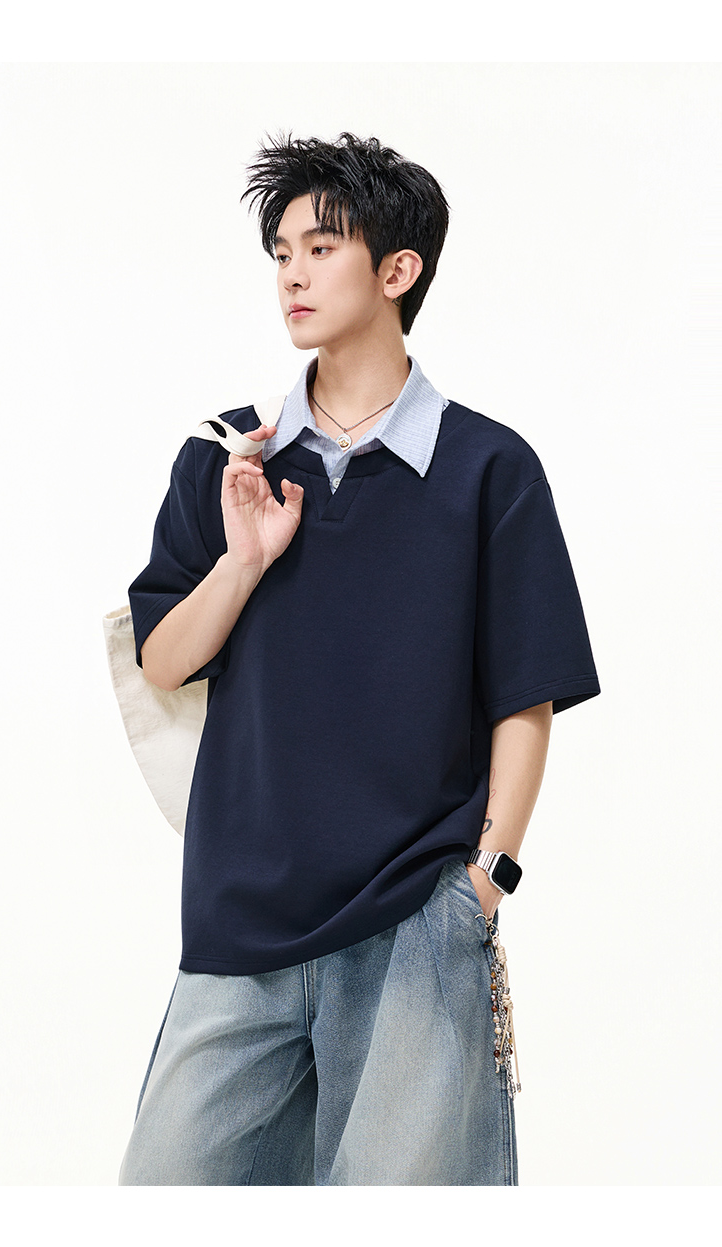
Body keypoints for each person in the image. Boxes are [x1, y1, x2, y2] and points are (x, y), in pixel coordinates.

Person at [118, 132, 600, 1186]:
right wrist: (243, 562)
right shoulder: (229, 456)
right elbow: (162, 660)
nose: (291, 273)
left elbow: (526, 697)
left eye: (321, 247)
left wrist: (485, 882)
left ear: (397, 269)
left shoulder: (488, 469)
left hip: (416, 921)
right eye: (280, 252)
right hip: (239, 921)